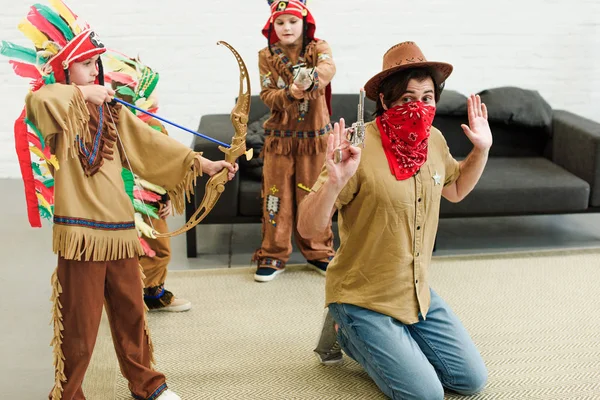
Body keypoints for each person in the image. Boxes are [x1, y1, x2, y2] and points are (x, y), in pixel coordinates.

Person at [1, 2, 236, 398]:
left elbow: (148, 144)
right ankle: (70, 393)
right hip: (81, 234)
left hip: (120, 229)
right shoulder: (57, 105)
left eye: (96, 63)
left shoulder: (110, 112)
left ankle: (146, 384)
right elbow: (40, 103)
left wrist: (200, 164)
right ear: (65, 71)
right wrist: (82, 91)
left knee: (131, 311)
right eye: (84, 64)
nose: (95, 70)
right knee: (79, 322)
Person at [298, 41, 492, 399]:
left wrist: (481, 149)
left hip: (415, 291)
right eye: (406, 99)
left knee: (471, 381)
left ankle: (395, 337)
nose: (418, 107)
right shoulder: (357, 147)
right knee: (426, 396)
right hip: (363, 296)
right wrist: (335, 182)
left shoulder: (433, 140)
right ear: (385, 102)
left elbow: (456, 189)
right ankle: (347, 331)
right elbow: (308, 230)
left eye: (427, 97)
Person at [252, 0, 337, 282]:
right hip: (280, 139)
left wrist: (310, 80)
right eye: (280, 22)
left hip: (315, 139)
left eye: (292, 21)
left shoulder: (319, 48)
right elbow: (267, 95)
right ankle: (273, 254)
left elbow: (328, 69)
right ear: (272, 25)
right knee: (277, 196)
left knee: (315, 194)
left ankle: (319, 252)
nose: (286, 28)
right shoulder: (266, 55)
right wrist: (290, 92)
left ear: (304, 22)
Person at [106, 54, 192, 312]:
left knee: (157, 248)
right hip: (116, 202)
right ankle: (126, 297)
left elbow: (165, 163)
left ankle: (152, 294)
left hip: (148, 202)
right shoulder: (105, 126)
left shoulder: (152, 126)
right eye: (149, 93)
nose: (155, 99)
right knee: (124, 252)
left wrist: (164, 197)